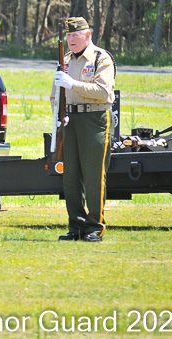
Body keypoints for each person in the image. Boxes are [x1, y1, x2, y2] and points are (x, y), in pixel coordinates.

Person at [51, 16, 116, 243]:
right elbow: (55, 93)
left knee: (93, 175)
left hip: (94, 119)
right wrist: (57, 116)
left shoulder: (100, 58)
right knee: (70, 177)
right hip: (70, 120)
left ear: (87, 35)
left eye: (75, 35)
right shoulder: (66, 60)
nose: (71, 40)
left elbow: (103, 91)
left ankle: (95, 226)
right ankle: (76, 225)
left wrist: (73, 84)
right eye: (68, 35)